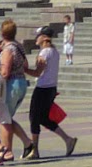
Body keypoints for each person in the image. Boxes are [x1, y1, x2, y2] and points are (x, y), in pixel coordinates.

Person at [25, 28, 78, 159]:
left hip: (42, 89)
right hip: (51, 88)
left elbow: (37, 73)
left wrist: (23, 69)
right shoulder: (54, 51)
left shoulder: (45, 53)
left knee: (34, 118)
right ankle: (68, 139)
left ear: (44, 37)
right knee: (43, 118)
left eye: (38, 36)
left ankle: (35, 150)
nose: (36, 38)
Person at [0, 19, 35, 159]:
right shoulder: (19, 46)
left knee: (4, 118)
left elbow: (5, 72)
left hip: (12, 84)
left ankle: (7, 152)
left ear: (2, 33)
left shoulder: (8, 50)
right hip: (21, 82)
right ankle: (27, 143)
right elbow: (25, 65)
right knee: (8, 117)